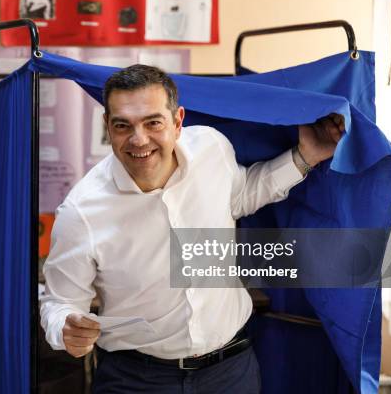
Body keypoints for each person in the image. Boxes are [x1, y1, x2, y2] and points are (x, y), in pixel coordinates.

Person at [40, 64, 344, 393]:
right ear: (107, 127)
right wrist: (65, 328)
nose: (138, 139)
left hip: (230, 371)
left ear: (177, 121)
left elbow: (240, 196)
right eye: (122, 125)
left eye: (153, 122)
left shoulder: (212, 149)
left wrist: (305, 156)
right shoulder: (81, 210)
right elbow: (60, 303)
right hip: (137, 381)